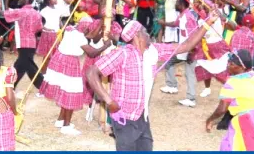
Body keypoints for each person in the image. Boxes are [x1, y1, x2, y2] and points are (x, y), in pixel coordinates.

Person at [84, 14, 217, 150]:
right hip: (124, 117)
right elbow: (91, 73)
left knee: (146, 148)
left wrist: (208, 22)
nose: (148, 34)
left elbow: (186, 45)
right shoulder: (123, 54)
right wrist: (109, 101)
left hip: (142, 114)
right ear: (137, 36)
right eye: (145, 32)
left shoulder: (153, 50)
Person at [205, 49, 254, 151]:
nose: (228, 64)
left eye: (232, 63)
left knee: (236, 146)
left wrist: (210, 119)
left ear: (242, 67)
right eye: (229, 61)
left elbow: (222, 109)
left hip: (246, 120)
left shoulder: (231, 83)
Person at [40, 20, 97, 135]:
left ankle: (61, 120)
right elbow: (92, 53)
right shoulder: (80, 37)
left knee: (65, 91)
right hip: (69, 63)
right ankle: (66, 126)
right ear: (85, 29)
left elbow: (90, 34)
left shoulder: (71, 30)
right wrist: (106, 45)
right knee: (71, 92)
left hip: (59, 61)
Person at [158, 0, 199, 107]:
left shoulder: (188, 16)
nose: (175, 5)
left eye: (176, 3)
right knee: (169, 62)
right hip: (184, 47)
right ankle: (172, 86)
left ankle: (190, 98)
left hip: (189, 49)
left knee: (189, 73)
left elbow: (194, 33)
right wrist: (164, 23)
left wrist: (191, 50)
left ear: (181, 4)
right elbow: (175, 23)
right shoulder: (182, 15)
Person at [4, 0, 44, 92]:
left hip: (23, 43)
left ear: (26, 0)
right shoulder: (36, 13)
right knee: (24, 66)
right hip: (31, 43)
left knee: (25, 66)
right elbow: (39, 27)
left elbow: (3, 13)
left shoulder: (22, 11)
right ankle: (11, 86)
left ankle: (43, 87)